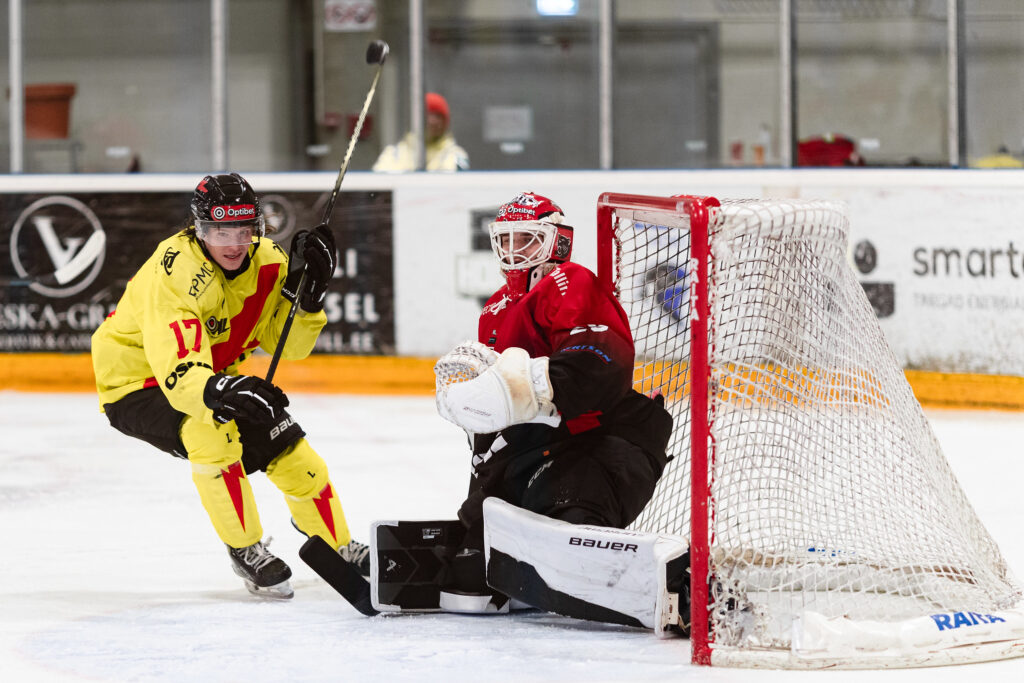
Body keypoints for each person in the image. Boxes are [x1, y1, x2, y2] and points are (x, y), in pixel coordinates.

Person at [91, 172, 368, 600]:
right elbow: (179, 373)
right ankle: (245, 548)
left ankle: (338, 544)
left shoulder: (269, 263)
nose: (234, 243)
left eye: (243, 229)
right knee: (211, 431)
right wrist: (222, 392)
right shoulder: (175, 271)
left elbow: (285, 347)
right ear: (198, 230)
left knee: (288, 445)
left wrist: (309, 296)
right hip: (137, 383)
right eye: (220, 230)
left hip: (209, 375)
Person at [432, 191, 673, 611]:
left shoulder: (569, 281)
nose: (512, 251)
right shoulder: (494, 309)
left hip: (603, 444)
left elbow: (598, 365)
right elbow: (503, 416)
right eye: (505, 240)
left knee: (569, 518)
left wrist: (526, 390)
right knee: (468, 579)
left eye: (525, 239)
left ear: (556, 241)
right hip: (542, 450)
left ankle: (651, 578)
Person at [372, 92, 469, 172]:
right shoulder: (394, 154)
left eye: (439, 116)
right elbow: (379, 184)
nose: (433, 121)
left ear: (446, 123)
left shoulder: (456, 155)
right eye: (428, 115)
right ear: (416, 121)